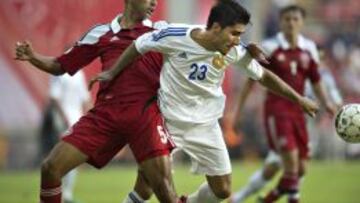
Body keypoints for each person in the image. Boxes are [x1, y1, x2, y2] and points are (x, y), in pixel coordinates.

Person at [89, 1, 319, 203]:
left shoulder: (233, 50)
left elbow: (263, 76)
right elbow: (139, 45)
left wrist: (299, 99)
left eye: (240, 35)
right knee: (147, 188)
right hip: (167, 121)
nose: (238, 40)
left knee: (223, 190)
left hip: (206, 125)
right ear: (216, 28)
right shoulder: (175, 36)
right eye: (234, 33)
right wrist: (112, 72)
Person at [14, 0, 181, 203]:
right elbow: (60, 65)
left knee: (165, 193)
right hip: (106, 116)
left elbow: (197, 37)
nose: (154, 3)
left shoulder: (161, 30)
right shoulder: (101, 33)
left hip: (146, 118)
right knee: (51, 168)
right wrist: (33, 57)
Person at [229, 5, 337, 203]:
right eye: (287, 19)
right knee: (292, 166)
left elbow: (316, 80)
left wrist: (327, 103)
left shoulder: (309, 48)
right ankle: (290, 199)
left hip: (300, 111)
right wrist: (239, 111)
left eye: (295, 19)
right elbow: (251, 80)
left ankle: (266, 199)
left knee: (299, 168)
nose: (291, 23)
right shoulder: (269, 47)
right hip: (276, 111)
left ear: (302, 22)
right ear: (280, 22)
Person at [49, 71, 92, 203]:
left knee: (71, 159)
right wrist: (64, 118)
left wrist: (91, 117)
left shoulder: (79, 73)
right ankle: (61, 194)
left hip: (76, 120)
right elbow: (54, 97)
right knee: (65, 158)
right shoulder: (59, 72)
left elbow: (85, 98)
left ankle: (66, 194)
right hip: (64, 121)